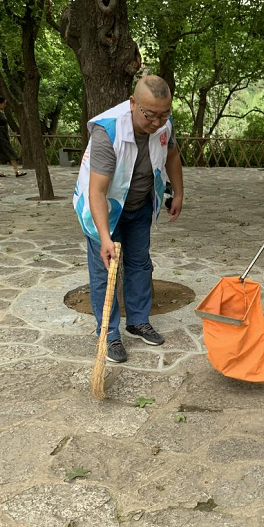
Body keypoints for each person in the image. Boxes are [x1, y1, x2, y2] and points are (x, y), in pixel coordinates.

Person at [73, 75, 184, 364]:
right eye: (150, 115)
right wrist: (105, 238)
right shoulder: (107, 132)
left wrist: (179, 192)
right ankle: (108, 333)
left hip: (139, 204)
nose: (157, 122)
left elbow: (172, 155)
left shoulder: (164, 123)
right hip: (104, 209)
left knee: (139, 263)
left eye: (164, 114)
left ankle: (137, 321)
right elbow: (97, 192)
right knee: (106, 272)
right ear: (133, 103)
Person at [0, 97, 26, 178]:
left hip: (3, 134)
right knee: (10, 151)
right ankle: (17, 171)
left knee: (0, 153)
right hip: (0, 135)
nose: (5, 105)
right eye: (4, 103)